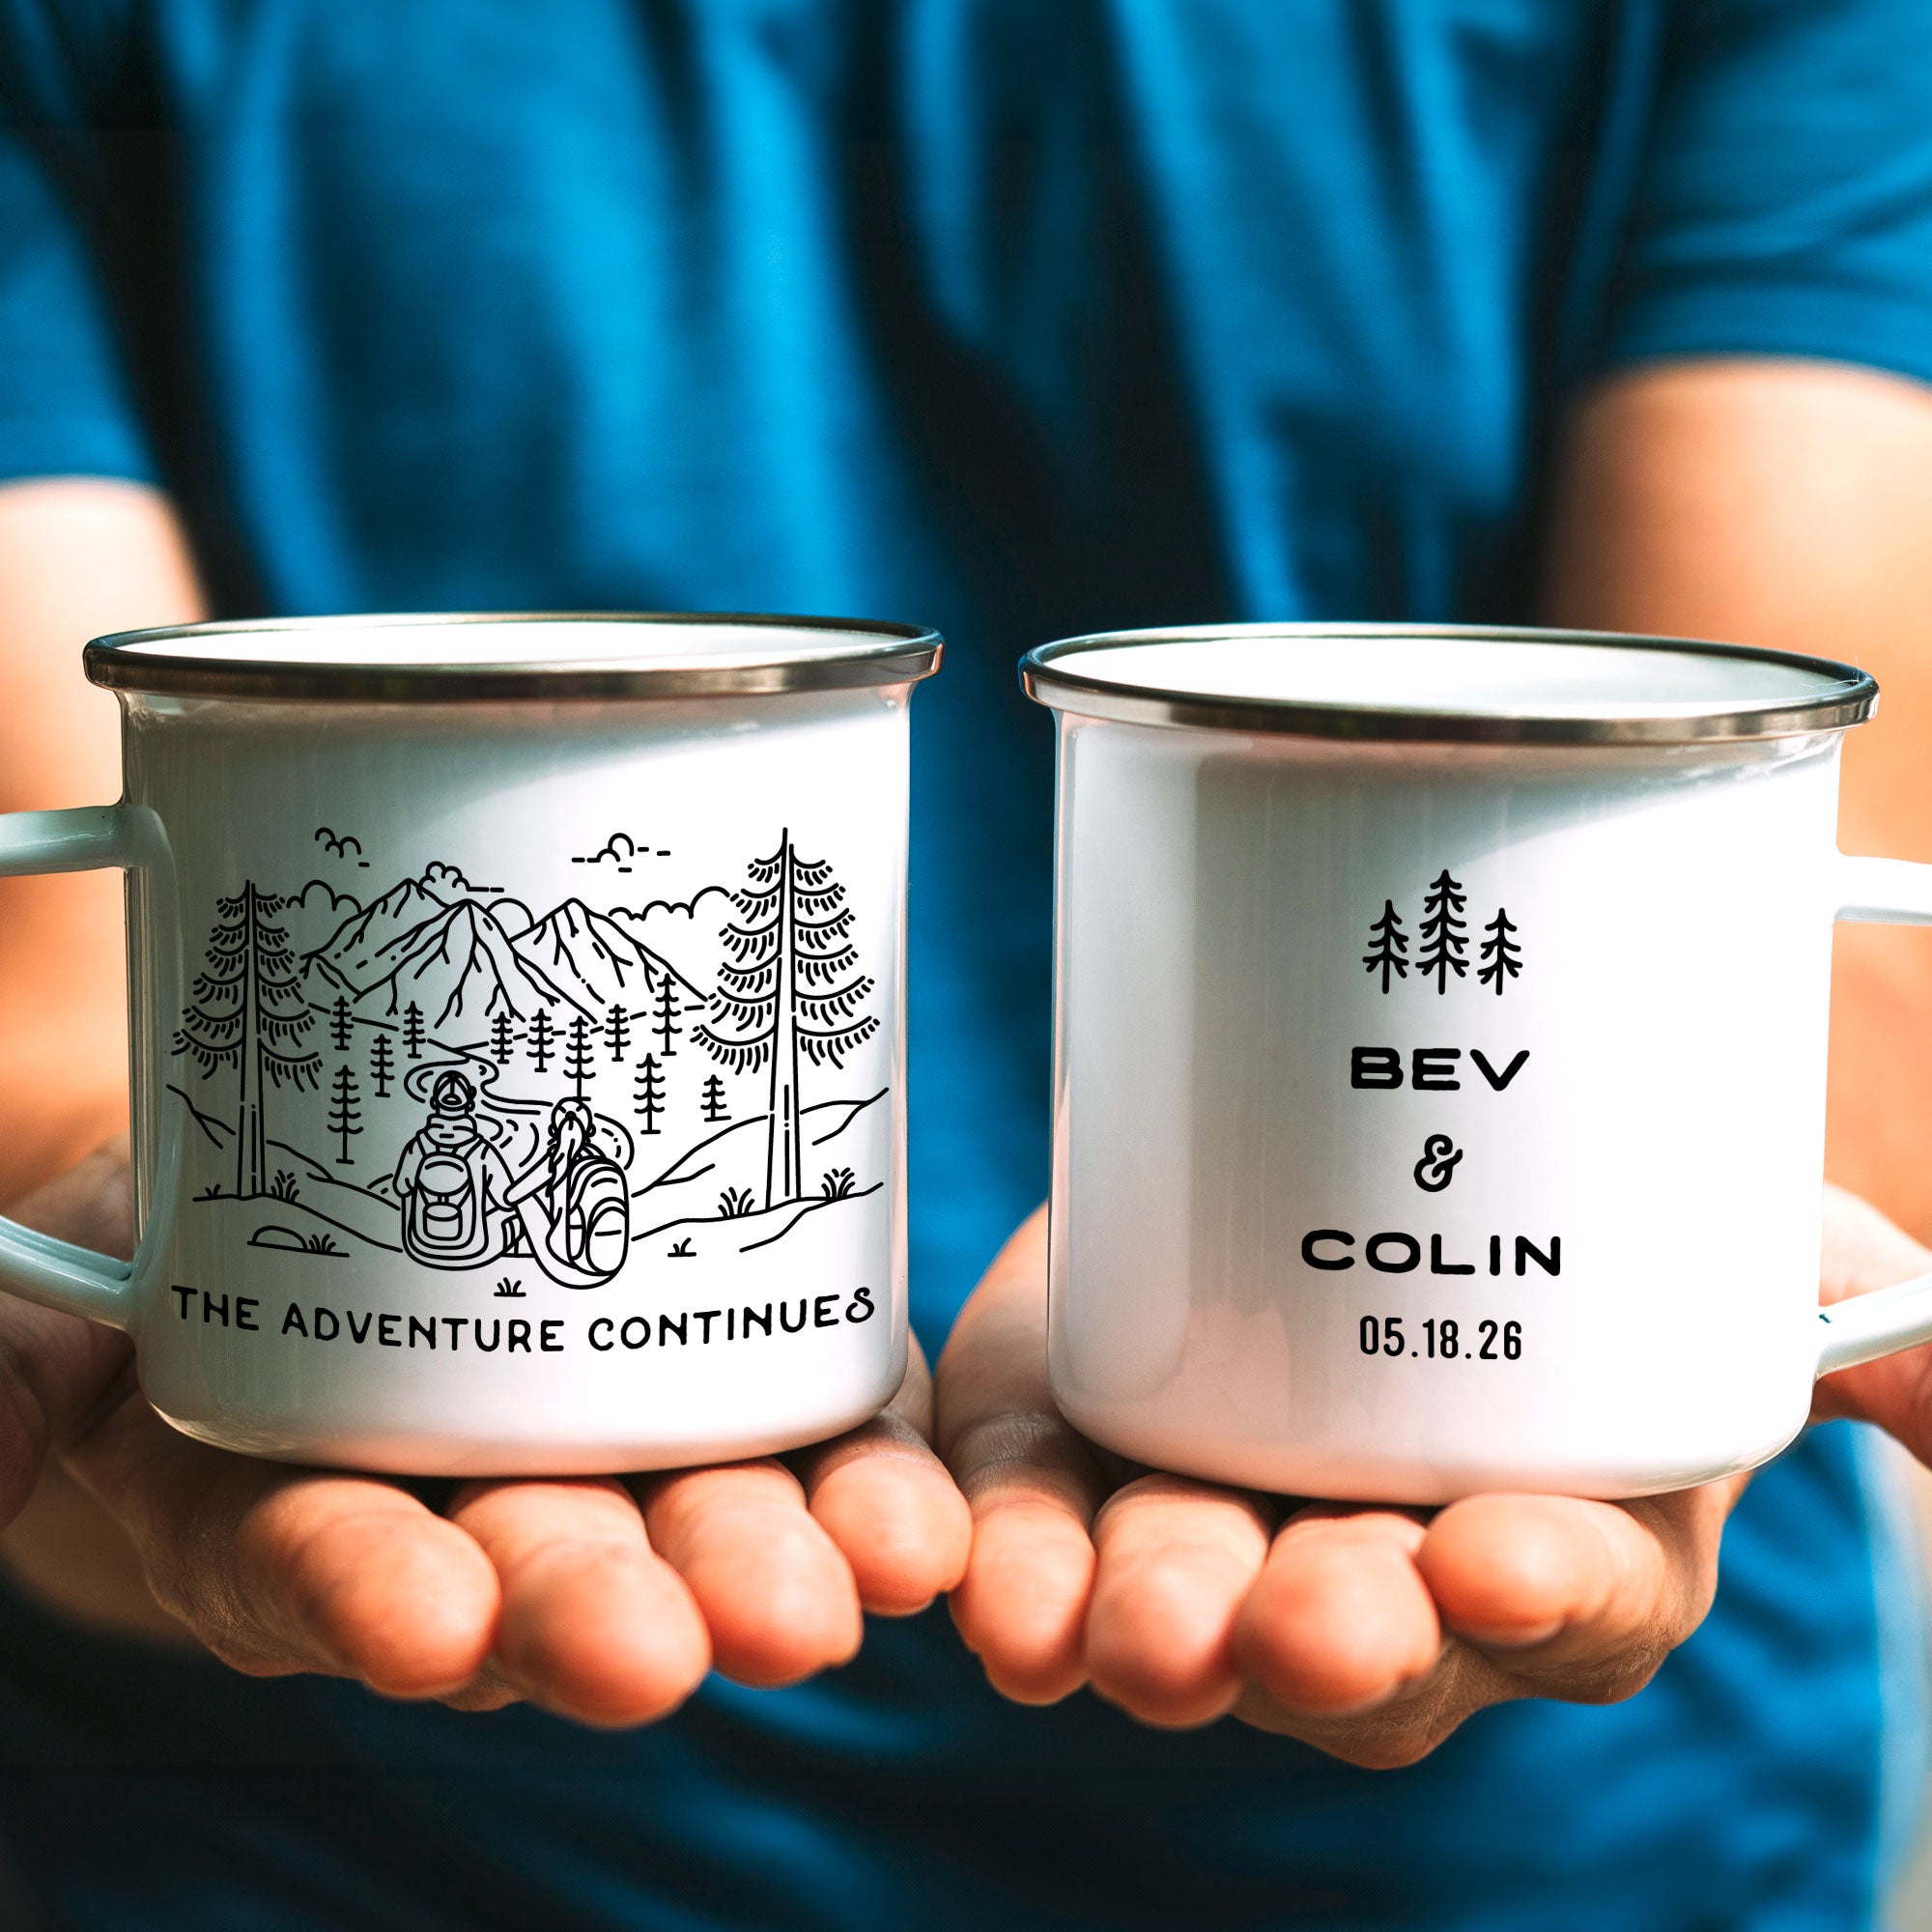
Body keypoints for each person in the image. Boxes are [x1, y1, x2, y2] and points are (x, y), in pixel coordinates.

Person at [0, 3, 1930, 1925]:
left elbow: (1795, 922)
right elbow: (70, 1013)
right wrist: (148, 1388)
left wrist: (1623, 1350)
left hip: (1544, 1858)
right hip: (309, 1848)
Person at [392, 1069, 516, 1268]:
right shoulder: (481, 1151)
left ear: (434, 1104)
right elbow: (506, 1199)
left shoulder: (418, 1146)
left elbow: (401, 1187)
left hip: (419, 1248)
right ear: (469, 1105)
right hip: (472, 1250)